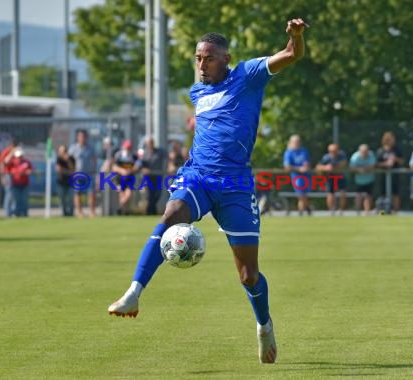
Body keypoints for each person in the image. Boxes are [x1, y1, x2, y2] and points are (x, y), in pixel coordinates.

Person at [108, 18, 308, 364]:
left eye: (209, 58)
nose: (202, 64)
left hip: (235, 185)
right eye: (198, 58)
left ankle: (264, 325)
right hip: (198, 175)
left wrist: (296, 37)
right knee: (171, 215)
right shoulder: (197, 91)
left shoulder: (247, 75)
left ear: (226, 59)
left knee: (248, 275)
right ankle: (134, 292)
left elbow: (291, 55)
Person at [69, 129, 98, 218]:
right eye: (80, 136)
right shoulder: (73, 148)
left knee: (91, 193)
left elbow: (94, 159)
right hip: (77, 174)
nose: (81, 138)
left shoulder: (90, 148)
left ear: (86, 138)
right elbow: (70, 160)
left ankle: (92, 211)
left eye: (83, 137)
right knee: (78, 193)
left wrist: (94, 170)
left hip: (89, 174)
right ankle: (79, 212)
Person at [283, 134, 312, 215]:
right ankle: (301, 212)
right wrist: (299, 169)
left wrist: (306, 166)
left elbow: (307, 162)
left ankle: (307, 208)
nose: (297, 143)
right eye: (295, 142)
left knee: (305, 195)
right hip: (296, 177)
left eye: (298, 142)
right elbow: (287, 166)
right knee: (301, 195)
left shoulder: (304, 151)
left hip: (306, 176)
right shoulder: (289, 153)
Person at [376, 132, 404, 213]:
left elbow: (402, 161)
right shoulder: (380, 151)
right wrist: (385, 164)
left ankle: (396, 211)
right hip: (383, 175)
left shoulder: (397, 150)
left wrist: (395, 159)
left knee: (395, 193)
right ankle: (382, 211)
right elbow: (377, 163)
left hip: (394, 175)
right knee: (383, 194)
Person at [316, 143, 348, 215]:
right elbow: (318, 166)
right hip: (330, 177)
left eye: (334, 150)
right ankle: (331, 211)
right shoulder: (326, 158)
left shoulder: (341, 155)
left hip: (340, 176)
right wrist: (325, 167)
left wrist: (335, 166)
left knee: (343, 193)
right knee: (330, 194)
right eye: (331, 151)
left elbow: (344, 163)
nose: (333, 152)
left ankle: (341, 210)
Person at [140, 137, 166, 215]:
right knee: (150, 194)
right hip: (148, 177)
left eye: (151, 142)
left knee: (157, 194)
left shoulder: (159, 152)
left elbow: (166, 157)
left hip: (157, 176)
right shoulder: (144, 153)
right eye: (149, 143)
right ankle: (150, 212)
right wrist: (143, 169)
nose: (150, 144)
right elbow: (140, 164)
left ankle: (151, 210)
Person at [112, 140, 139, 215]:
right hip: (120, 178)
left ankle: (120, 207)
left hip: (130, 178)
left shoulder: (133, 156)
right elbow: (114, 166)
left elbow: (137, 166)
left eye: (129, 147)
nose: (128, 149)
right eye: (126, 147)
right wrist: (122, 171)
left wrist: (129, 171)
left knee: (128, 194)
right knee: (122, 194)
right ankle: (124, 211)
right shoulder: (118, 155)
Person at [5, 148, 34, 217]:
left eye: (20, 156)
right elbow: (5, 162)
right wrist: (11, 153)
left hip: (25, 184)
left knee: (24, 200)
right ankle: (16, 214)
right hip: (15, 184)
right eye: (18, 156)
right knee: (16, 200)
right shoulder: (13, 162)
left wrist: (28, 172)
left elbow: (31, 170)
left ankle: (24, 214)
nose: (19, 158)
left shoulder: (26, 162)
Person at [350, 144, 376, 215]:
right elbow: (352, 168)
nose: (365, 153)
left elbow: (372, 166)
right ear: (360, 152)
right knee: (358, 196)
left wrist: (363, 169)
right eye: (363, 152)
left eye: (366, 152)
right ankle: (357, 212)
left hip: (369, 180)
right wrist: (359, 170)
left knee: (368, 196)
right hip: (359, 181)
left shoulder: (371, 155)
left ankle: (367, 212)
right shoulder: (355, 157)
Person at [56, 145, 76, 216]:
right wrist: (67, 172)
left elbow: (72, 170)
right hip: (61, 182)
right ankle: (64, 213)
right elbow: (59, 170)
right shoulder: (59, 159)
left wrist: (68, 161)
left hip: (70, 182)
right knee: (62, 199)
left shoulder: (71, 159)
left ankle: (71, 213)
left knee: (71, 199)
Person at [0, 138, 17, 217]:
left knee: (14, 194)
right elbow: (4, 163)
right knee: (9, 193)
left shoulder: (17, 152)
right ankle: (7, 211)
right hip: (7, 174)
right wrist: (2, 176)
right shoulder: (6, 152)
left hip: (15, 174)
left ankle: (13, 211)